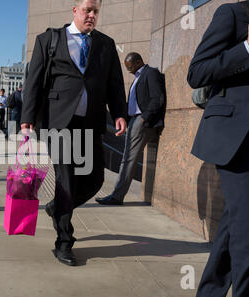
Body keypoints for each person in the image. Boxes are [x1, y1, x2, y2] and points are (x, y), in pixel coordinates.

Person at [21, 0, 127, 266]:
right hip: (59, 122)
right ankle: (64, 243)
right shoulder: (49, 39)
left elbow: (115, 83)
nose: (92, 15)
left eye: (96, 11)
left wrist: (119, 113)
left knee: (94, 180)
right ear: (75, 11)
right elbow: (34, 79)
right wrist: (27, 118)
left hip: (91, 122)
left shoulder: (105, 44)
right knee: (66, 181)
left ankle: (57, 208)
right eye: (88, 10)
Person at [187, 0, 249, 297]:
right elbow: (197, 72)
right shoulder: (233, 13)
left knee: (236, 228)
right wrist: (248, 48)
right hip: (240, 140)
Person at [96, 53, 166, 205]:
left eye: (131, 67)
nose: (129, 70)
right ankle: (116, 195)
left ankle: (117, 196)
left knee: (128, 159)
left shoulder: (151, 73)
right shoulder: (137, 78)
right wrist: (125, 121)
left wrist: (143, 118)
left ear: (139, 61)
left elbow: (157, 98)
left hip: (142, 121)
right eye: (127, 68)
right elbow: (132, 104)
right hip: (134, 120)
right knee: (127, 159)